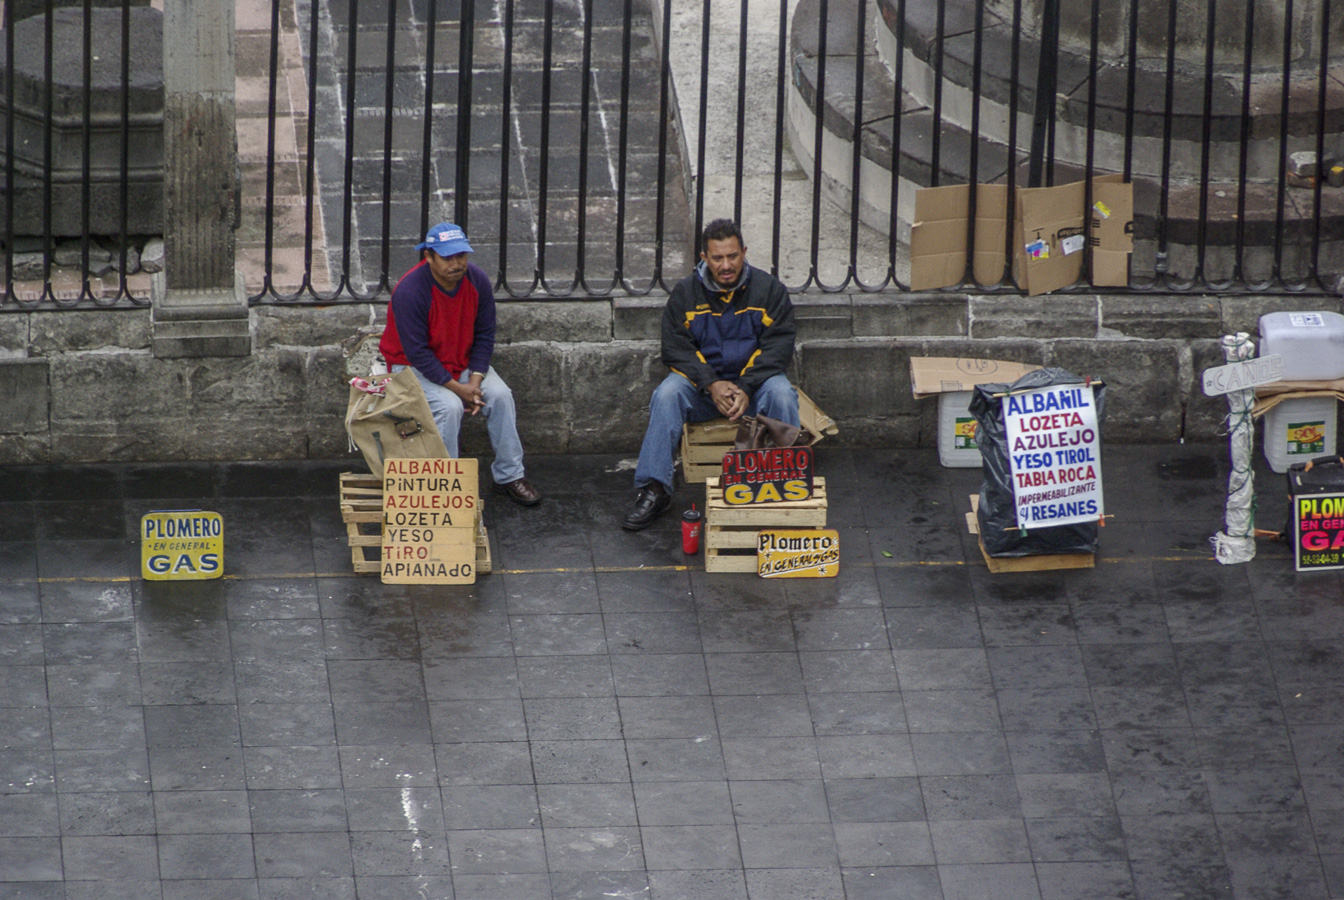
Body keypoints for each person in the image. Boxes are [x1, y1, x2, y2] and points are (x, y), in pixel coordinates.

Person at [622, 218, 799, 530]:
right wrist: (711, 384)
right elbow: (676, 349)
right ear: (704, 258)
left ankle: (789, 482)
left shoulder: (770, 290)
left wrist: (745, 386)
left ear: (744, 252)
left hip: (753, 390)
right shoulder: (685, 294)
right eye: (717, 258)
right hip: (704, 392)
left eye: (732, 256)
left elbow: (778, 347)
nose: (726, 265)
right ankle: (655, 488)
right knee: (667, 393)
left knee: (783, 392)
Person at [379, 222, 542, 506]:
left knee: (501, 396)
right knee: (449, 406)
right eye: (447, 258)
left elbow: (484, 335)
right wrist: (459, 389)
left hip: (461, 362)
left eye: (461, 256)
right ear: (429, 257)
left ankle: (509, 475)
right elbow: (417, 353)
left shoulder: (477, 281)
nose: (456, 264)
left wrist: (474, 383)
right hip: (411, 367)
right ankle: (444, 485)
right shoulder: (410, 291)